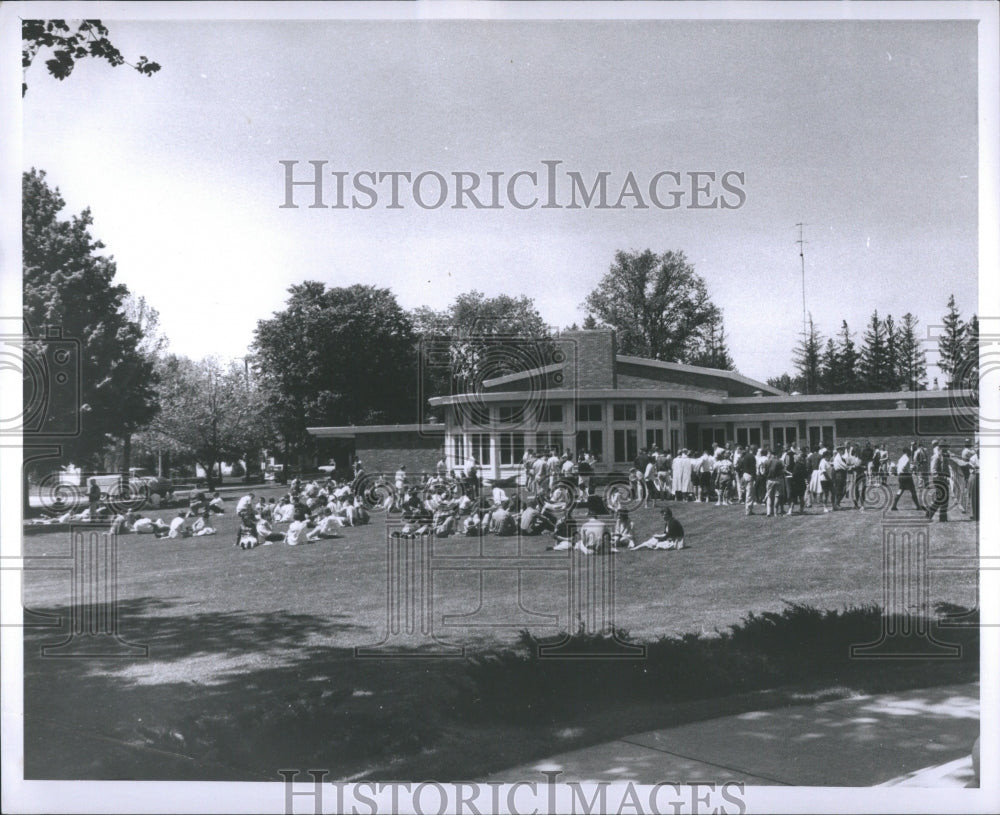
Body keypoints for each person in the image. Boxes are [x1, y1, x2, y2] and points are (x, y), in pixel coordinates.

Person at [890, 444, 923, 511]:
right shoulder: (906, 459)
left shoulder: (900, 459)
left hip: (900, 476)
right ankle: (918, 506)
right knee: (913, 491)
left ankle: (894, 505)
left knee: (900, 490)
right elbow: (904, 467)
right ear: (906, 452)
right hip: (906, 476)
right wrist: (911, 469)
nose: (911, 453)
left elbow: (897, 467)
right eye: (909, 452)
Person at [926, 442, 951, 522]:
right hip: (938, 480)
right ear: (940, 448)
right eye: (944, 449)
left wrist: (947, 476)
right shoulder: (936, 457)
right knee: (940, 498)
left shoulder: (943, 456)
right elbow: (933, 470)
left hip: (943, 479)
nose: (946, 450)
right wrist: (941, 477)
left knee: (945, 499)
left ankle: (943, 518)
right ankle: (929, 515)